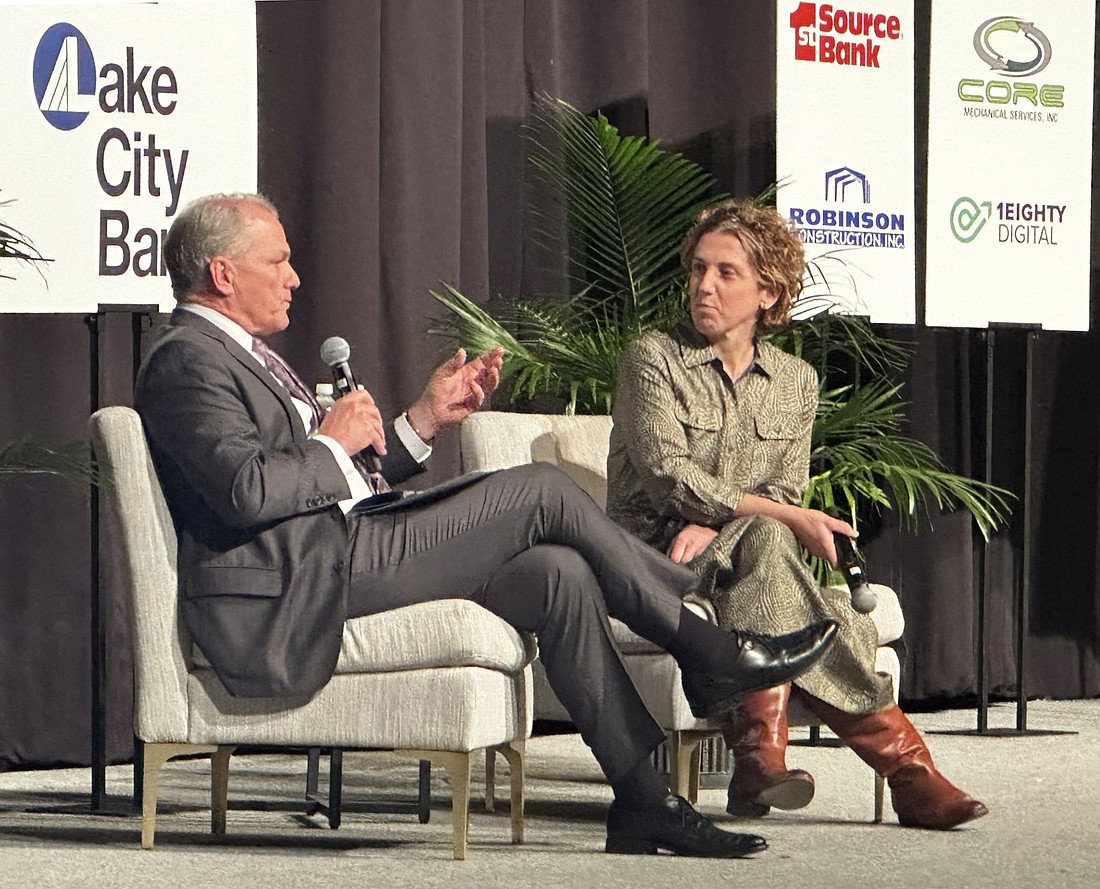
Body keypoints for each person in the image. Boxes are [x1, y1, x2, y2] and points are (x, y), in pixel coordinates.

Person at [134, 192, 838, 858]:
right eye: (276, 261)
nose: (292, 276)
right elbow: (245, 490)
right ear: (222, 272)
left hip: (339, 545)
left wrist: (425, 420)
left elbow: (333, 479)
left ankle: (643, 797)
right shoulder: (186, 358)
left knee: (555, 574)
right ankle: (707, 645)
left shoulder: (237, 354)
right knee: (539, 491)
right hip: (295, 581)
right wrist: (328, 442)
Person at [607, 198, 988, 831]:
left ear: (768, 292)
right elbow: (670, 477)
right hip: (651, 552)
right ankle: (907, 770)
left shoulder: (795, 381)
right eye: (698, 269)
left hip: (743, 557)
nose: (704, 285)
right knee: (813, 589)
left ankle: (761, 761)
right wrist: (749, 516)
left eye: (726, 273)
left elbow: (785, 488)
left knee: (768, 548)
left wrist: (731, 520)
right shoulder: (653, 358)